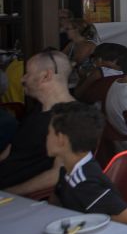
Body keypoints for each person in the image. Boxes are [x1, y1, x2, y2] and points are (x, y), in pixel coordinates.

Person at [26, 102, 127, 234]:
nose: (46, 137)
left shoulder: (85, 181)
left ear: (61, 140)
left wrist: (81, 227)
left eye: (49, 132)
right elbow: (55, 204)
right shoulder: (68, 171)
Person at [0, 51, 75, 194]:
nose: (22, 79)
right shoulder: (40, 108)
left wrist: (9, 193)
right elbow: (12, 149)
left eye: (27, 73)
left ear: (46, 76)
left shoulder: (73, 118)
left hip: (15, 197)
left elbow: (58, 174)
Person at [62, 18, 98, 87]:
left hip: (88, 83)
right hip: (76, 81)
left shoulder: (88, 45)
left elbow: (76, 62)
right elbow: (59, 57)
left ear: (77, 30)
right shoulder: (72, 44)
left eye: (67, 29)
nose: (65, 31)